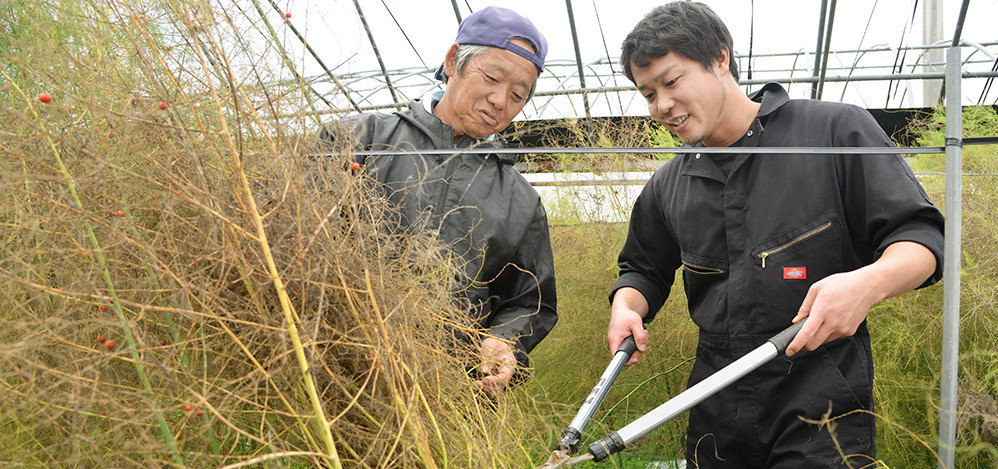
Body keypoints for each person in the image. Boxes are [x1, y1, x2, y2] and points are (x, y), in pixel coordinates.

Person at [606, 2, 945, 468]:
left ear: (720, 59)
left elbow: (921, 239)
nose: (661, 106)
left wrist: (866, 284)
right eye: (647, 93)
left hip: (820, 399)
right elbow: (643, 269)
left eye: (671, 81)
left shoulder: (830, 132)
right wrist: (627, 306)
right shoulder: (669, 184)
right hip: (716, 402)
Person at [318, 6, 556, 395]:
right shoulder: (359, 140)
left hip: (446, 392)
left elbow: (530, 300)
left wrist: (505, 341)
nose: (500, 100)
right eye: (492, 77)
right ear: (452, 61)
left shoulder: (520, 199)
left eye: (518, 94)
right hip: (332, 372)